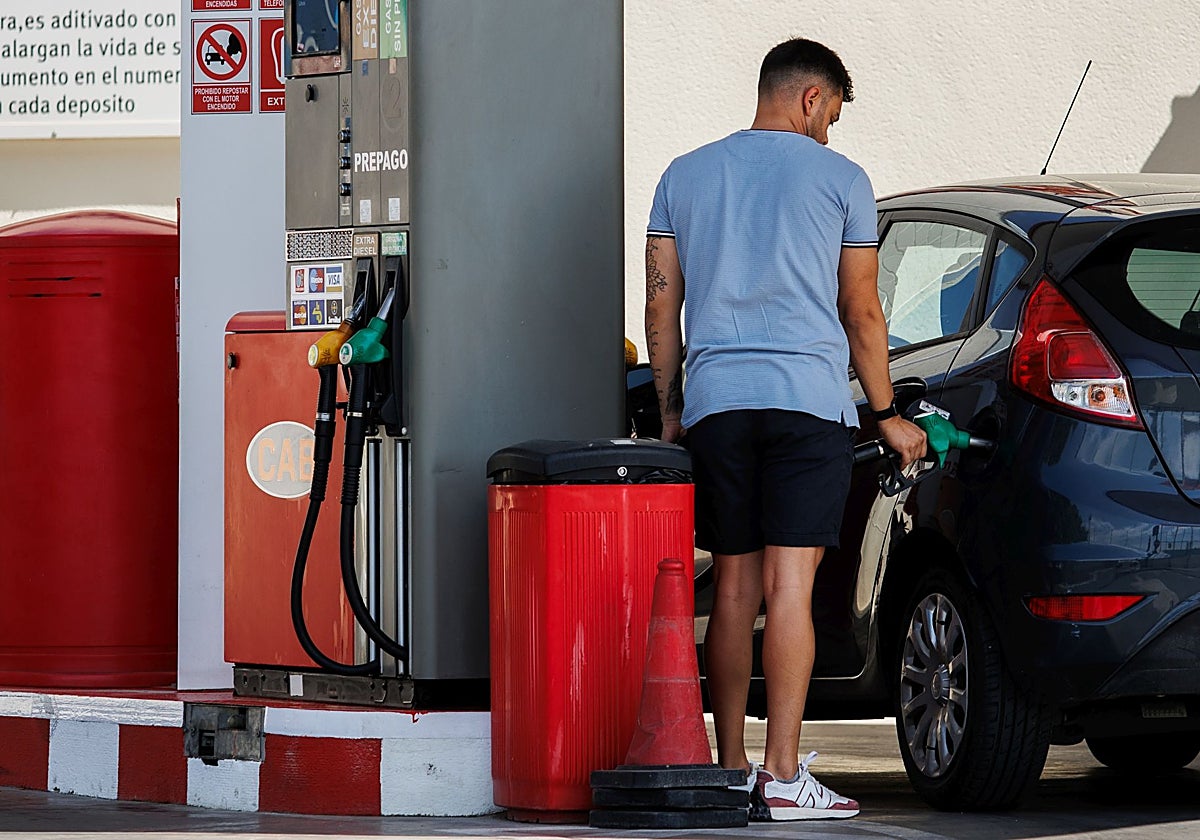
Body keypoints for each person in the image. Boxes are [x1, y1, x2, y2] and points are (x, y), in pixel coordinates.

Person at [643, 38, 926, 821]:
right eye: (830, 114)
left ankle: (729, 768)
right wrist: (888, 414)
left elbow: (661, 307)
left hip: (717, 407)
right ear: (809, 98)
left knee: (732, 586)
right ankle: (784, 774)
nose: (830, 133)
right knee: (789, 586)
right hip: (806, 406)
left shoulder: (684, 175)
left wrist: (672, 412)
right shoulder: (842, 181)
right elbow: (861, 311)